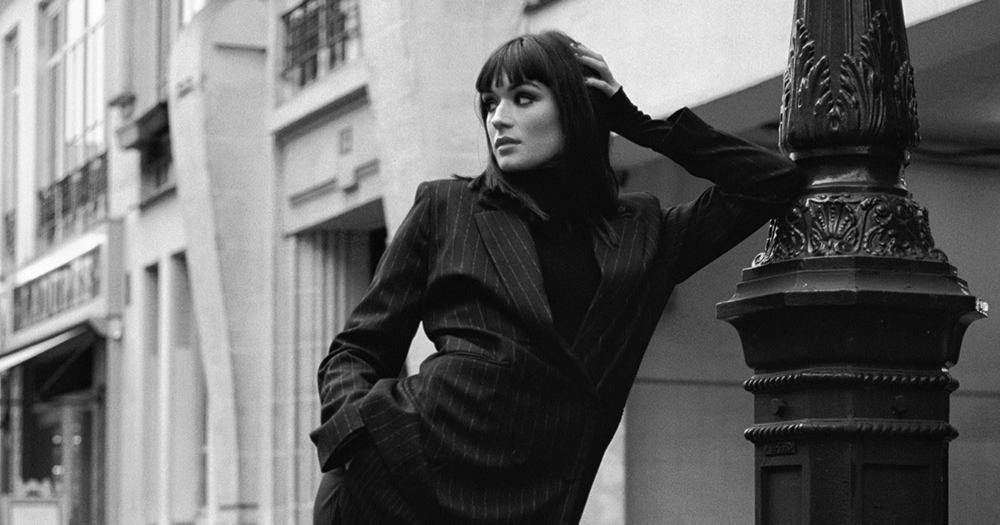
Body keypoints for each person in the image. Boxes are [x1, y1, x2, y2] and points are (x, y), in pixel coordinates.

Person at [311, 30, 803, 524]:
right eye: (490, 103)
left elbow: (770, 181)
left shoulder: (642, 233)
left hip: (530, 506)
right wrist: (354, 438)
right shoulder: (448, 207)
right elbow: (357, 349)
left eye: (523, 98)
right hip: (392, 488)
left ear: (574, 108)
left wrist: (635, 122)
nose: (498, 118)